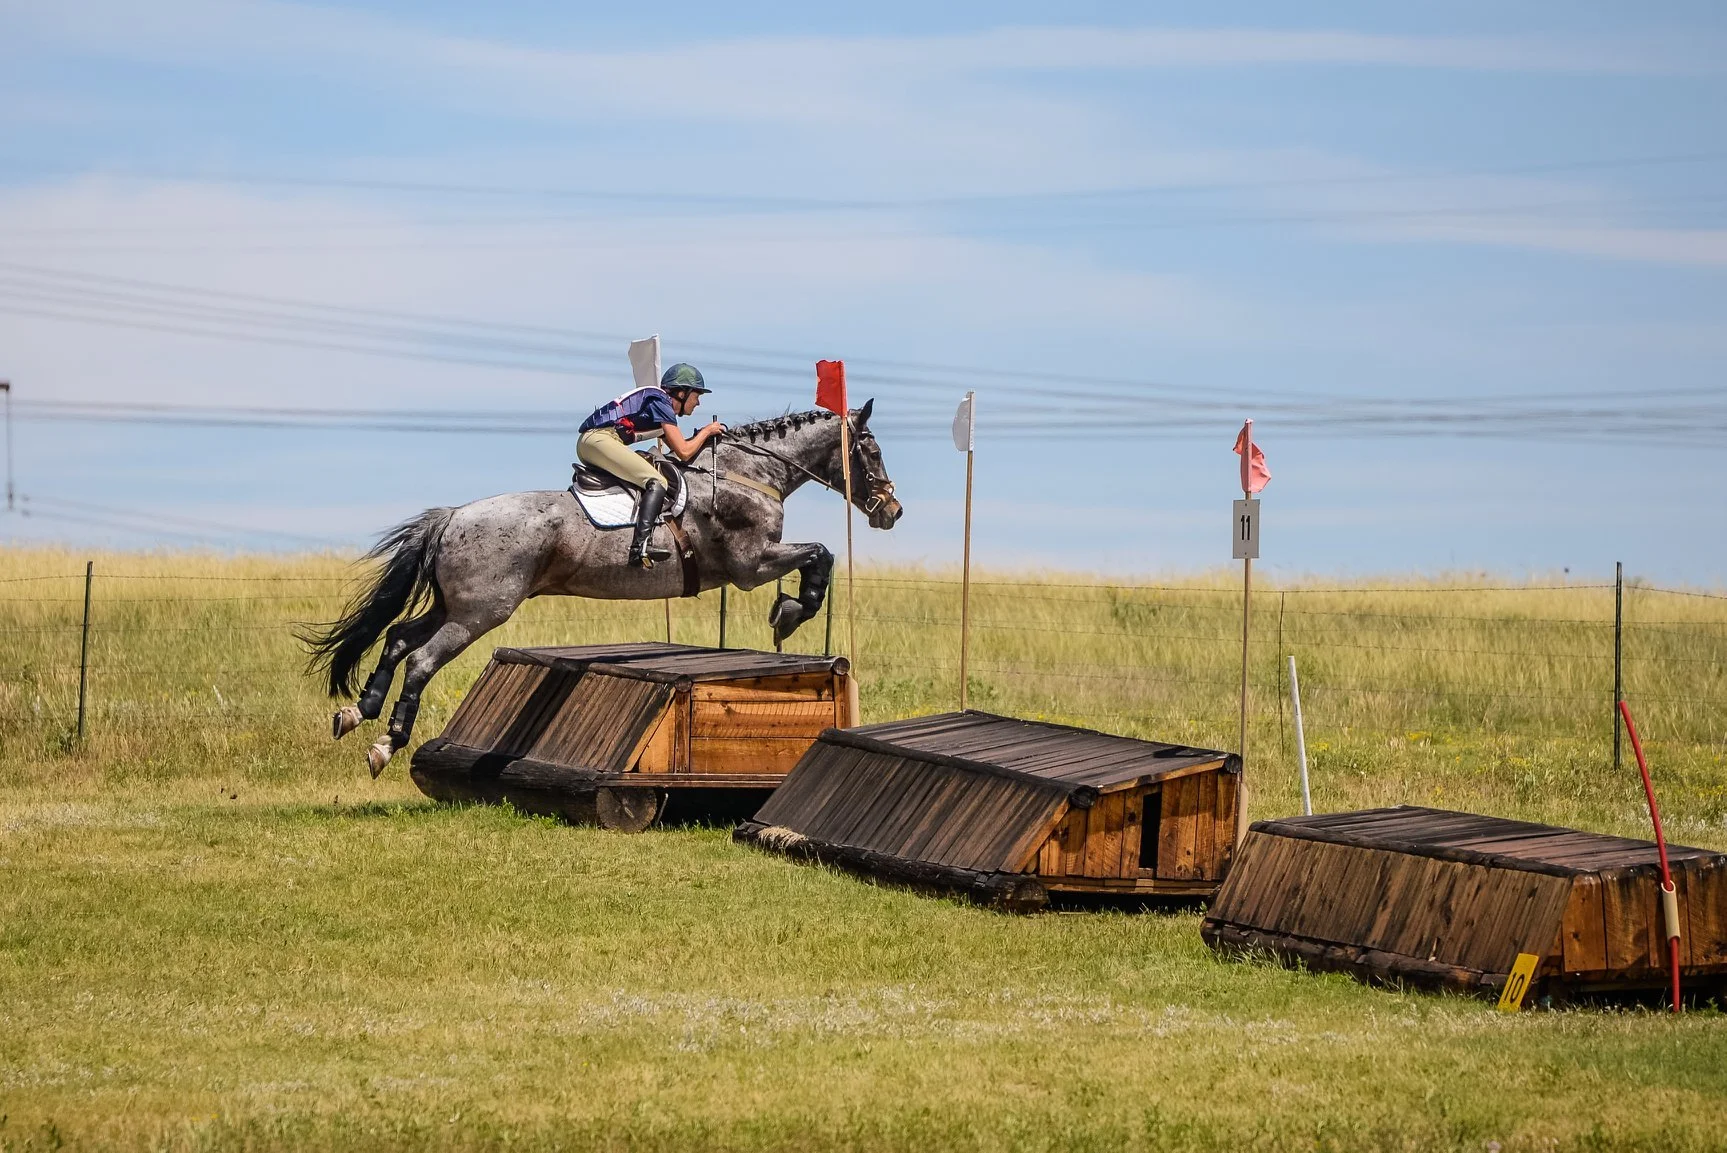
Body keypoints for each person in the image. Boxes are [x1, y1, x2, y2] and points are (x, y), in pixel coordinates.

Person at [577, 363, 726, 568]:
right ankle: (640, 547)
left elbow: (681, 453)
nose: (698, 403)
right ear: (682, 393)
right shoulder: (661, 402)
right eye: (697, 395)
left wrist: (701, 437)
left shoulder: (659, 408)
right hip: (600, 440)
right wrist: (707, 432)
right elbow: (684, 452)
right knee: (656, 481)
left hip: (595, 442)